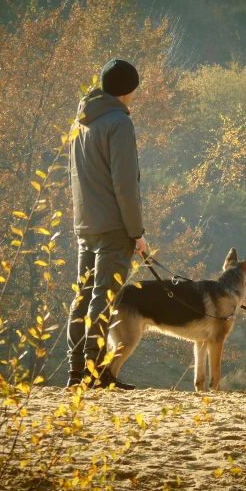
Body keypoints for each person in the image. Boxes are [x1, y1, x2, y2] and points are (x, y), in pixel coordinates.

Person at [66, 58, 147, 390]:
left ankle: (76, 372)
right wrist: (137, 233)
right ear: (129, 91)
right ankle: (93, 373)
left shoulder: (83, 121)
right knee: (102, 298)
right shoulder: (119, 124)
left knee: (83, 297)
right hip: (114, 228)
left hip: (85, 224)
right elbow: (125, 186)